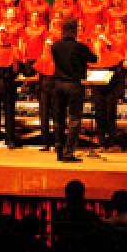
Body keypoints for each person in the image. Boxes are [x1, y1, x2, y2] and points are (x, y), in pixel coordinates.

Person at [51, 18, 97, 162]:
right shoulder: (80, 47)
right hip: (74, 85)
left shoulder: (55, 46)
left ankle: (59, 151)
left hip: (57, 84)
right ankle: (68, 153)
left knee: (58, 119)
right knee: (74, 119)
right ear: (75, 30)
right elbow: (94, 59)